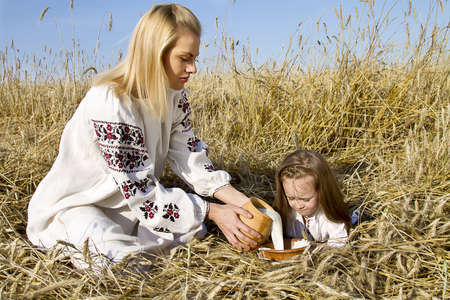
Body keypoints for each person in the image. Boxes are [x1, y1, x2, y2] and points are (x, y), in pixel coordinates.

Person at [26, 3, 260, 269]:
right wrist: (212, 211)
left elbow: (190, 156)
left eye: (194, 58)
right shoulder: (111, 103)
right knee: (118, 260)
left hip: (129, 208)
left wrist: (247, 204)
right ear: (154, 53)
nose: (193, 68)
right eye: (185, 58)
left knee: (193, 232)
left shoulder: (174, 96)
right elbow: (143, 195)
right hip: (78, 207)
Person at [272, 149, 351, 247]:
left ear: (322, 192)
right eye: (291, 198)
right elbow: (275, 240)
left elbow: (338, 246)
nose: (298, 205)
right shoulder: (284, 212)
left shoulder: (330, 217)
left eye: (306, 199)